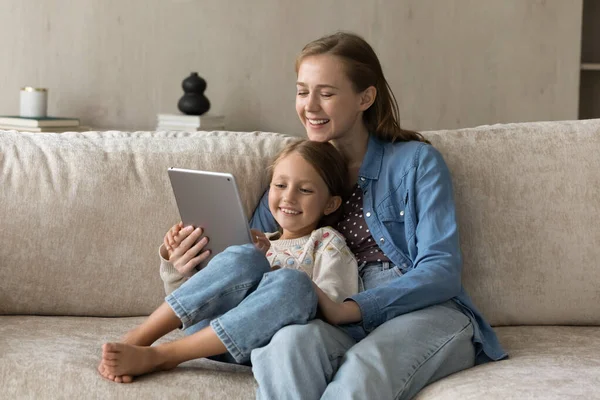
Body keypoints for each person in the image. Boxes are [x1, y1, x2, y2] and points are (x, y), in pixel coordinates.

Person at [163, 31, 507, 399]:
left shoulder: (416, 163)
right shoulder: (294, 173)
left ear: (365, 97)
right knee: (285, 347)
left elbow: (441, 270)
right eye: (302, 91)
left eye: (326, 93)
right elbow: (250, 265)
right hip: (327, 316)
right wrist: (186, 263)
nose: (310, 106)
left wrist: (350, 308)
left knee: (364, 368)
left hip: (422, 312)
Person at [97, 140, 359, 383]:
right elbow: (199, 299)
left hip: (265, 341)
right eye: (280, 186)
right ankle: (140, 339)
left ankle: (164, 356)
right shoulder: (256, 241)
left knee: (293, 283)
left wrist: (276, 275)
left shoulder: (327, 242)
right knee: (244, 256)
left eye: (305, 190)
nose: (289, 197)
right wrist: (178, 264)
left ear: (331, 204)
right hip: (204, 334)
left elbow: (334, 311)